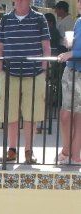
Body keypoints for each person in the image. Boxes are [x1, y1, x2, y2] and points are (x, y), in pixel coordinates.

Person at [0, 0, 51, 164]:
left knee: (31, 116)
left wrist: (43, 72)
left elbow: (46, 46)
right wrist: (0, 73)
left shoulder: (40, 18)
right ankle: (12, 150)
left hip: (34, 75)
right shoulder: (5, 19)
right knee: (9, 114)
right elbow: (0, 47)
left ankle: (28, 150)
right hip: (9, 74)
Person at [57, 0, 81, 165]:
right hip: (71, 71)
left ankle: (73, 153)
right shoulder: (79, 21)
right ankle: (67, 151)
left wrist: (72, 52)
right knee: (66, 115)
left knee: (78, 116)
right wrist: (69, 46)